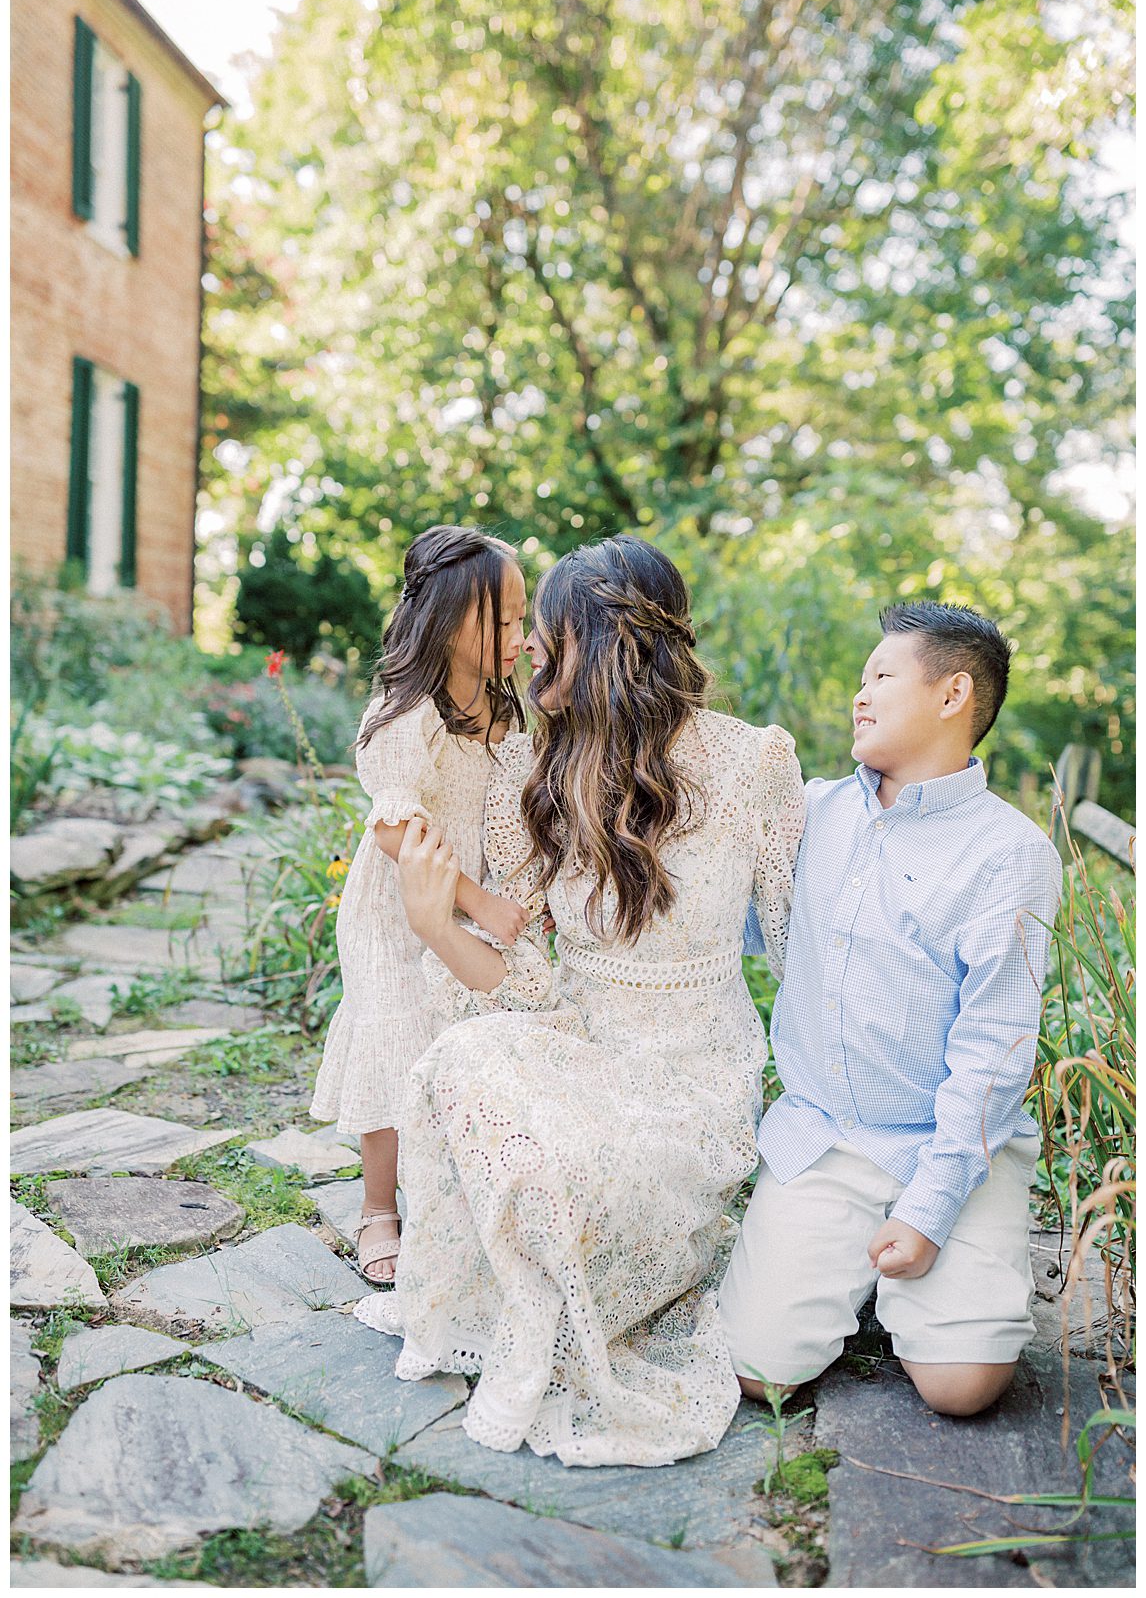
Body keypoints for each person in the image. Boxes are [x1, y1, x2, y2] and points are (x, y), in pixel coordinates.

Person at [354, 535, 805, 1466]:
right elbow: (520, 988)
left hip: (694, 1076)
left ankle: (593, 1281)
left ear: (599, 644)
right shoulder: (543, 772)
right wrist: (441, 927)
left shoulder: (754, 762)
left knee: (570, 1178)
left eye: (545, 633)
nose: (527, 651)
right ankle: (537, 1286)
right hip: (584, 1043)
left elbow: (803, 955)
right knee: (461, 1061)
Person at [722, 600, 1063, 1416]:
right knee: (757, 1375)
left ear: (952, 695)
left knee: (962, 1387)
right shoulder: (810, 811)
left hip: (948, 1146)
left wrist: (931, 1207)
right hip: (826, 1136)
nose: (859, 694)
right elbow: (738, 925)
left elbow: (993, 1056)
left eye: (881, 675)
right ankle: (849, 1268)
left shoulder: (1011, 855)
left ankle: (917, 1281)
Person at [309, 525, 529, 1283]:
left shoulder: (500, 709)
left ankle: (446, 1182)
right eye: (506, 619)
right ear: (452, 618)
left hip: (461, 900)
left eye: (525, 619)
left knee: (454, 1036)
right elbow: (399, 824)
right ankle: (378, 1207)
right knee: (394, 1032)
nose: (519, 635)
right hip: (395, 906)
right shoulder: (409, 710)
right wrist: (479, 901)